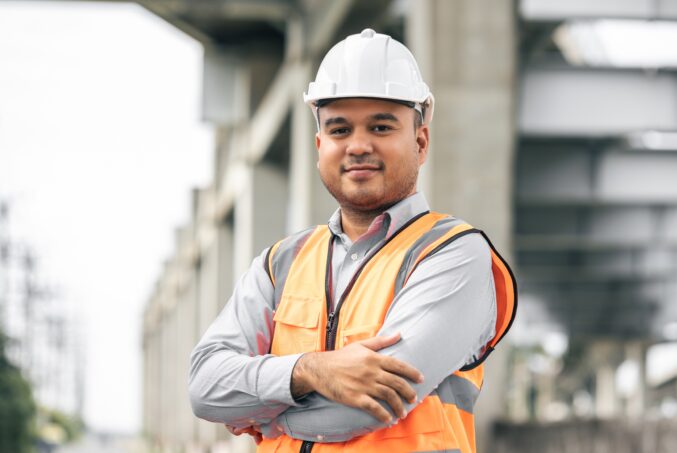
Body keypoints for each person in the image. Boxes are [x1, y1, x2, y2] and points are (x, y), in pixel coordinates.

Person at [189, 28, 517, 453]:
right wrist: (309, 371)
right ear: (319, 144)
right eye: (340, 130)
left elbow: (368, 407)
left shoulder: (451, 254)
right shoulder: (281, 264)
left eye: (381, 127)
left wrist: (262, 417)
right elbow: (204, 386)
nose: (358, 145)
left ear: (420, 142)